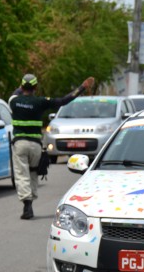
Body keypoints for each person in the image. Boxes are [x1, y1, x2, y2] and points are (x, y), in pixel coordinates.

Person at [10, 73, 95, 220]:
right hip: (35, 145)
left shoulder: (13, 101)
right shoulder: (41, 102)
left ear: (22, 86)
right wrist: (82, 87)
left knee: (21, 174)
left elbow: (16, 92)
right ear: (36, 87)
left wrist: (23, 85)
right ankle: (31, 200)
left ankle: (27, 205)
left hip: (20, 144)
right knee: (33, 173)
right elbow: (63, 101)